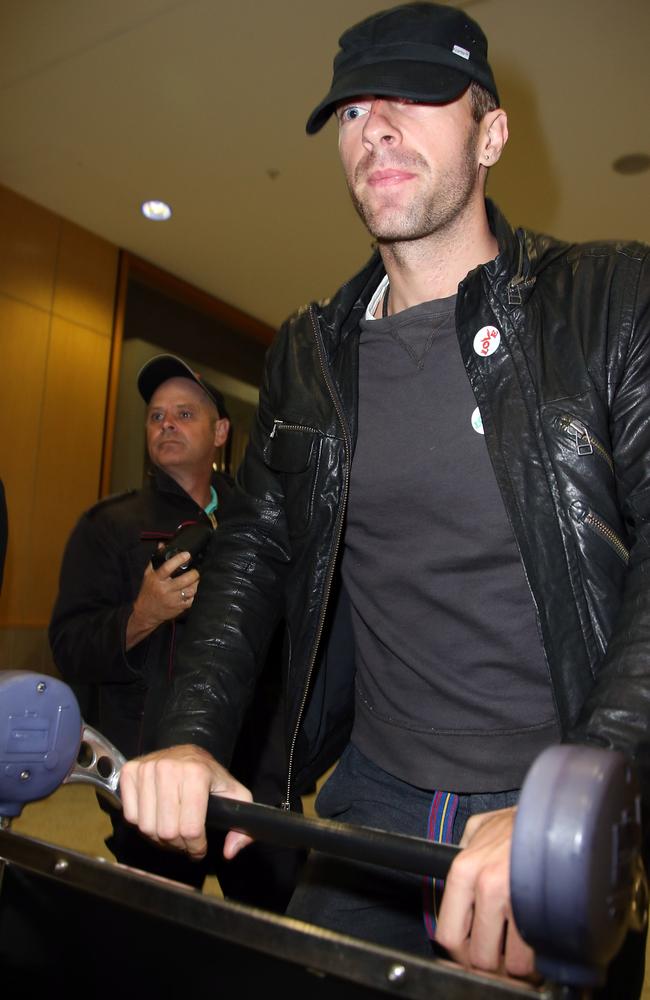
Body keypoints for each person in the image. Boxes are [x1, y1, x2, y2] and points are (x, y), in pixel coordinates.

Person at [119, 4, 650, 996]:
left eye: (413, 96)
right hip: (368, 806)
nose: (376, 128)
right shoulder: (309, 355)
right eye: (355, 110)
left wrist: (579, 789)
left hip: (541, 812)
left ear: (489, 133)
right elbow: (252, 556)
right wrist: (191, 735)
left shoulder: (611, 300)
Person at [49, 354, 304, 910]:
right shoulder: (107, 526)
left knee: (278, 936)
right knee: (152, 946)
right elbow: (69, 648)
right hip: (154, 775)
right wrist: (142, 615)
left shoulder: (262, 522)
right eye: (157, 415)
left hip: (257, 773)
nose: (165, 423)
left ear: (220, 432)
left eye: (184, 414)